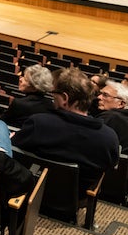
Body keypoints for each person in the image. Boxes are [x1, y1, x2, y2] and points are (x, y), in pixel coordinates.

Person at [12, 67, 120, 197]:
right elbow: (110, 167)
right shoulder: (109, 138)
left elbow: (15, 147)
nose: (52, 98)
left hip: (34, 192)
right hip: (76, 198)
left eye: (53, 94)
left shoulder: (38, 123)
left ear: (64, 98)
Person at [95, 81, 128, 153]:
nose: (99, 97)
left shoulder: (110, 117)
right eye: (100, 93)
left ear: (121, 104)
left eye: (105, 95)